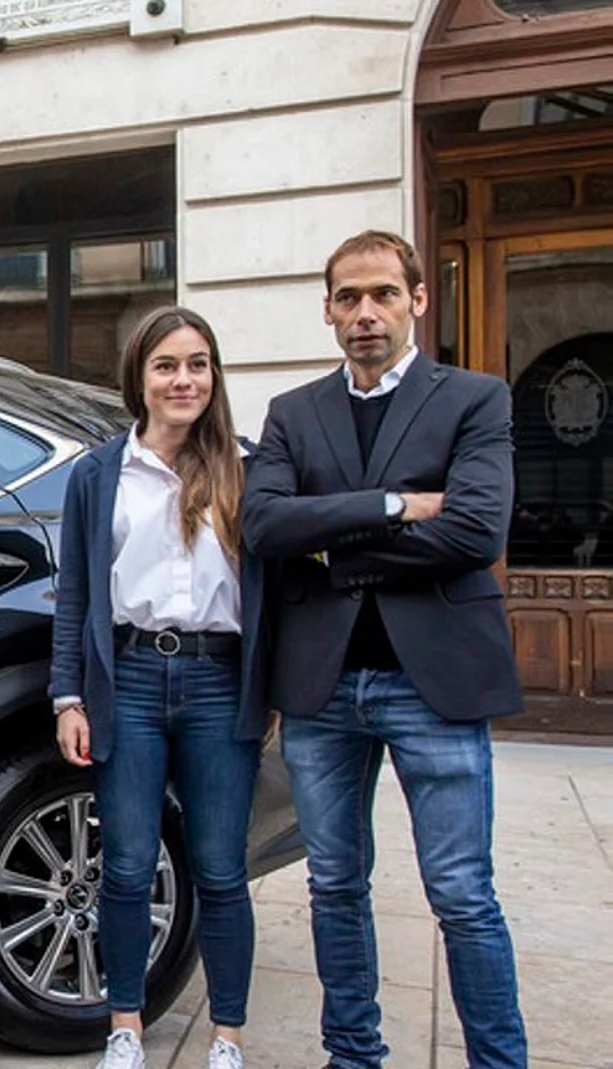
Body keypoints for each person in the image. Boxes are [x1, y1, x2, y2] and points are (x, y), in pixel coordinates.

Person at [242, 230, 528, 1069]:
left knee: (463, 895)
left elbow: (477, 530)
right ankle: (353, 1055)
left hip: (430, 682)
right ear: (327, 310)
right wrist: (400, 505)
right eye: (348, 298)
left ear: (417, 300)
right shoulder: (293, 413)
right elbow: (263, 524)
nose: (366, 313)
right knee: (334, 888)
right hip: (321, 687)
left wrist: (335, 546)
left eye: (383, 295)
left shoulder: (475, 398)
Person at [50, 306, 271, 1069]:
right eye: (167, 365)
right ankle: (125, 1025)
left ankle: (228, 1035)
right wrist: (67, 696)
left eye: (199, 364)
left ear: (215, 376)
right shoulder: (99, 472)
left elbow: (274, 594)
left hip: (219, 682)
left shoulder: (248, 466)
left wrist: (266, 689)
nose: (185, 380)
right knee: (129, 864)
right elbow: (74, 593)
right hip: (132, 679)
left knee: (219, 866)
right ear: (138, 379)